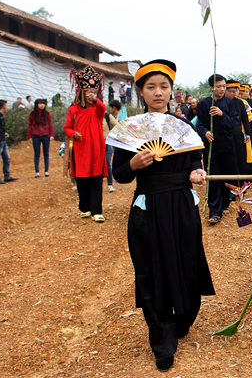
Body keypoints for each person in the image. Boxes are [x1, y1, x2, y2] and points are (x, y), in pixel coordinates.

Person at [112, 59, 213, 372]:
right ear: (141, 92)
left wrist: (198, 172)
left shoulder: (183, 128)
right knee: (150, 269)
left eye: (164, 86)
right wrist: (133, 165)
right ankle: (162, 339)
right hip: (148, 206)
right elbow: (119, 175)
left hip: (182, 205)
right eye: (151, 87)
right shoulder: (131, 130)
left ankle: (182, 319)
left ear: (172, 91)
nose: (158, 92)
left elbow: (196, 162)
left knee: (187, 262)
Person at [64, 66, 108, 222]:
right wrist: (72, 133)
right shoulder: (73, 110)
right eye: (89, 92)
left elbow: (103, 108)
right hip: (80, 150)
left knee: (96, 180)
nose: (92, 95)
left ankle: (97, 211)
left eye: (94, 92)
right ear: (81, 93)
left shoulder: (97, 109)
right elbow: (67, 127)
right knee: (82, 180)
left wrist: (96, 100)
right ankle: (85, 208)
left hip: (96, 150)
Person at [195, 74, 240, 224]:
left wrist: (222, 114)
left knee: (226, 176)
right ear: (212, 87)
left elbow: (234, 122)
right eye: (219, 86)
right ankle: (214, 211)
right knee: (213, 178)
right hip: (211, 147)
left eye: (224, 86)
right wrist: (205, 132)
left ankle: (225, 203)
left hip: (227, 145)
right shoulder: (203, 104)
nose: (222, 89)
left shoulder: (230, 104)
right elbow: (199, 124)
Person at [225, 80, 252, 188]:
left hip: (238, 134)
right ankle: (231, 185)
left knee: (241, 158)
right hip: (226, 134)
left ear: (237, 91)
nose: (232, 93)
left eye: (234, 91)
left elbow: (245, 119)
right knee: (229, 159)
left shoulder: (240, 103)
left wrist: (247, 133)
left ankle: (242, 183)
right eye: (230, 91)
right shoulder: (222, 102)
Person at [0, 100, 18, 184]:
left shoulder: (0, 116)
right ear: (4, 106)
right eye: (6, 105)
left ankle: (7, 175)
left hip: (2, 140)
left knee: (7, 158)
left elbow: (0, 128)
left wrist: (4, 134)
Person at [28, 99, 55, 178]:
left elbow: (50, 124)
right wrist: (30, 136)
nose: (42, 105)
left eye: (43, 103)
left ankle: (46, 171)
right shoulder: (32, 114)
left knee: (46, 153)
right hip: (35, 136)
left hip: (46, 135)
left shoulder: (47, 113)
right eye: (40, 103)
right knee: (37, 154)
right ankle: (37, 171)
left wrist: (51, 134)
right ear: (37, 104)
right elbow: (29, 125)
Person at [103, 102, 119, 192]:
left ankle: (110, 184)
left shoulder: (107, 116)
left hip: (106, 143)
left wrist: (111, 134)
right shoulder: (92, 115)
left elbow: (117, 125)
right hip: (95, 144)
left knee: (108, 164)